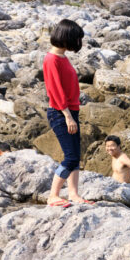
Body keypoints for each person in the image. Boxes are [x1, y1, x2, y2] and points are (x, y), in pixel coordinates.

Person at [43, 19, 88, 208]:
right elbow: (55, 90)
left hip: (71, 111)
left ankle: (73, 194)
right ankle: (53, 195)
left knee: (76, 156)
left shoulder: (62, 57)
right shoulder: (51, 59)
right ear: (67, 38)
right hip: (61, 113)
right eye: (76, 39)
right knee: (70, 157)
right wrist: (67, 116)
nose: (78, 43)